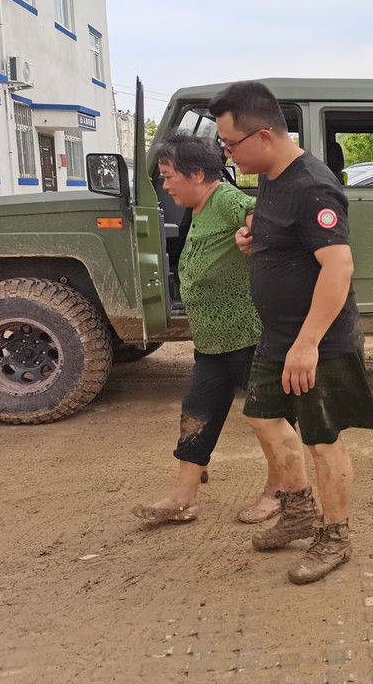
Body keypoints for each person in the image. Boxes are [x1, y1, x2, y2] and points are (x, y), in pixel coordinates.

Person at [210, 81, 373, 585]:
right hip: (279, 334)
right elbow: (289, 239)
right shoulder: (270, 176)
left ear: (263, 136)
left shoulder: (312, 186)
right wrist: (254, 237)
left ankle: (335, 535)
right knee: (261, 416)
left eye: (229, 144)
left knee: (323, 439)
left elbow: (338, 267)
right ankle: (300, 509)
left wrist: (307, 344)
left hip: (318, 340)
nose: (226, 154)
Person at [132, 134, 283, 525]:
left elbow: (258, 211)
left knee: (270, 420)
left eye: (168, 177)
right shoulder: (199, 208)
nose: (165, 186)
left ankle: (280, 492)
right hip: (214, 343)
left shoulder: (225, 199)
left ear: (197, 174)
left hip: (250, 338)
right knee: (196, 413)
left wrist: (252, 234)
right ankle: (184, 499)